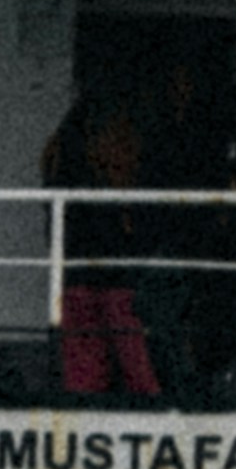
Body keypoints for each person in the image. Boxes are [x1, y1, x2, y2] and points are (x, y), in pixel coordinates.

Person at [46, 93, 171, 403]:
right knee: (138, 368)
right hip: (117, 271)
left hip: (76, 267)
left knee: (84, 374)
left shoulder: (63, 142)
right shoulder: (122, 133)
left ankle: (87, 417)